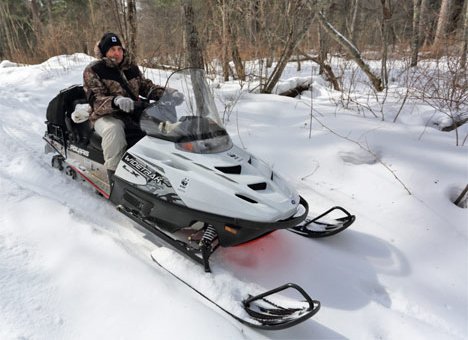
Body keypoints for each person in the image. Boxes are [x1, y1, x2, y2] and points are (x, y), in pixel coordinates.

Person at [83, 32, 181, 182]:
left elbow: (146, 87)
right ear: (104, 52)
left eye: (119, 49)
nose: (117, 53)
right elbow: (96, 101)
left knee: (164, 126)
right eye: (112, 50)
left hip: (133, 112)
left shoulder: (131, 67)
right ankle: (115, 178)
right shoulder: (94, 70)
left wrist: (167, 93)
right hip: (106, 115)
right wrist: (115, 101)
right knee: (113, 130)